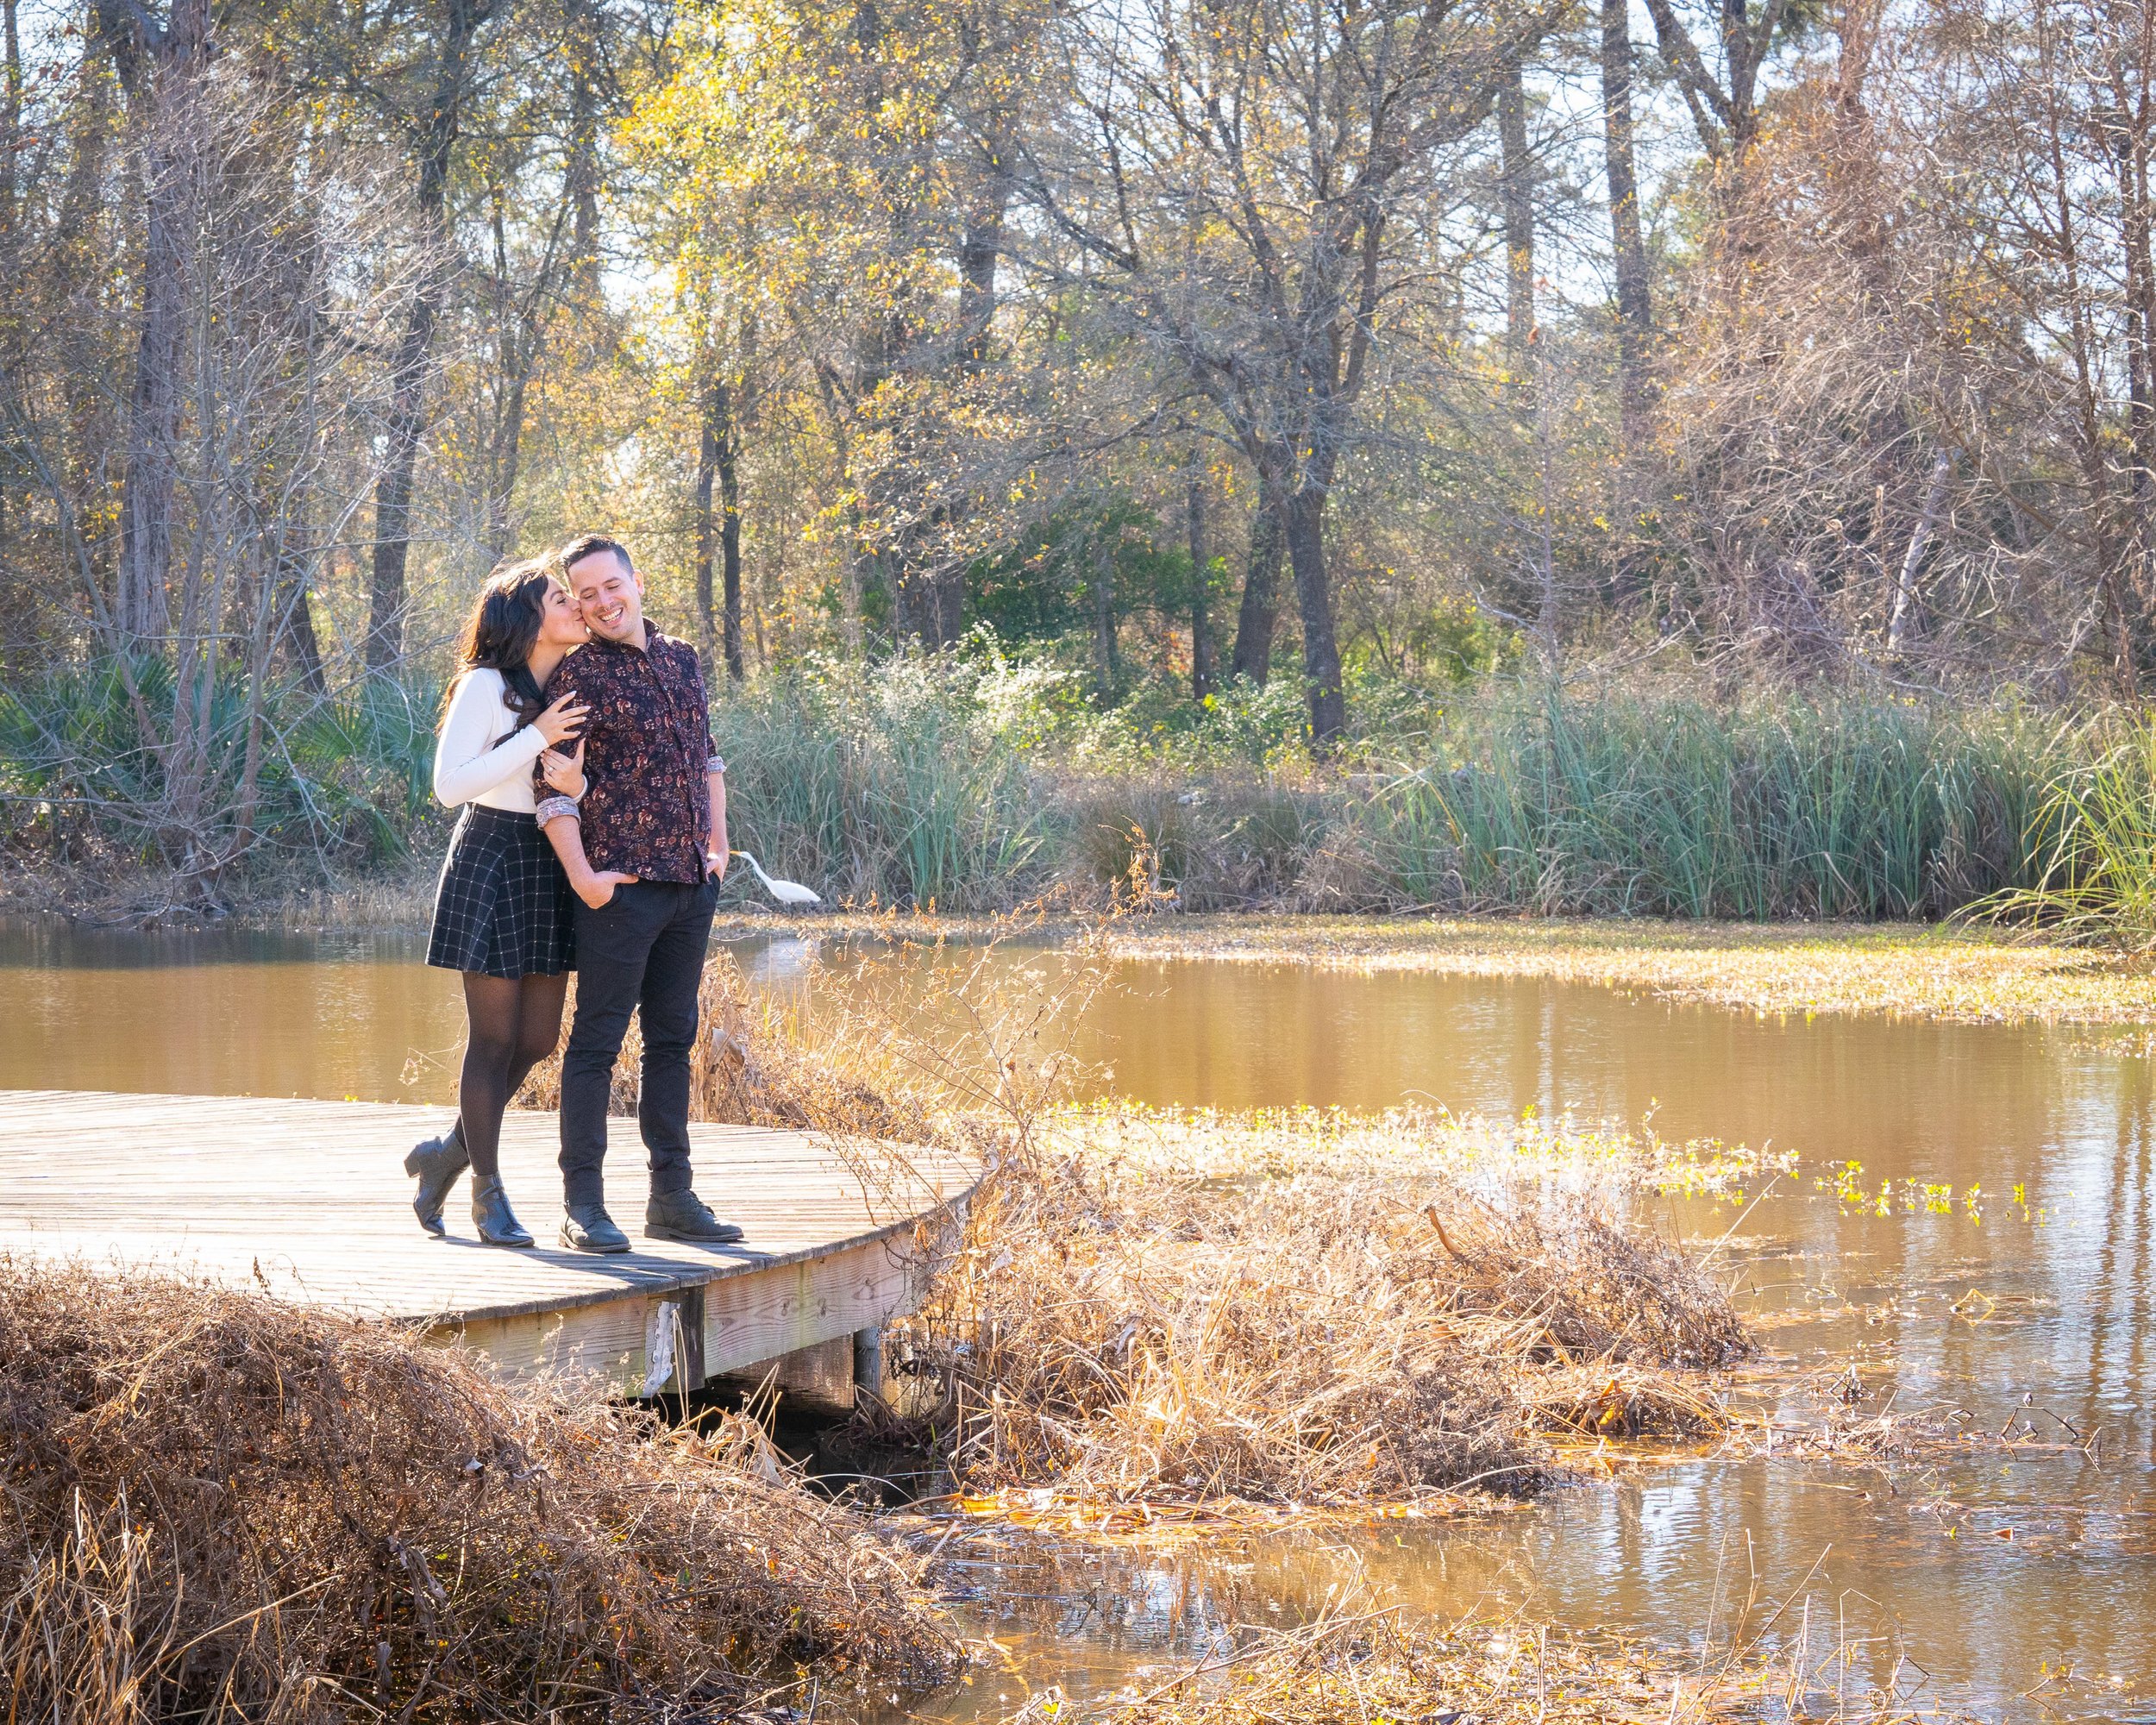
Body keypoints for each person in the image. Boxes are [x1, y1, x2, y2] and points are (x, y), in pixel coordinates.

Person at [532, 532, 744, 1254]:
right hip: (620, 894)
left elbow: (708, 754)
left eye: (609, 587)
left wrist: (718, 844)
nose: (600, 603)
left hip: (691, 885)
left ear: (636, 581)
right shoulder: (577, 677)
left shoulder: (683, 659)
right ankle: (583, 1207)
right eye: (584, 594)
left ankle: (673, 1198)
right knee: (594, 1047)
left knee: (672, 1043)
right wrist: (585, 880)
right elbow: (550, 788)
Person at [406, 558, 595, 1246]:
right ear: (526, 616)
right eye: (559, 596)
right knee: (492, 1040)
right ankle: (489, 1194)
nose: (576, 603)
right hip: (490, 854)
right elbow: (450, 785)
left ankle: (447, 1153)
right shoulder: (485, 686)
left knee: (538, 1039)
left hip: (548, 858)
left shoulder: (571, 682)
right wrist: (537, 736)